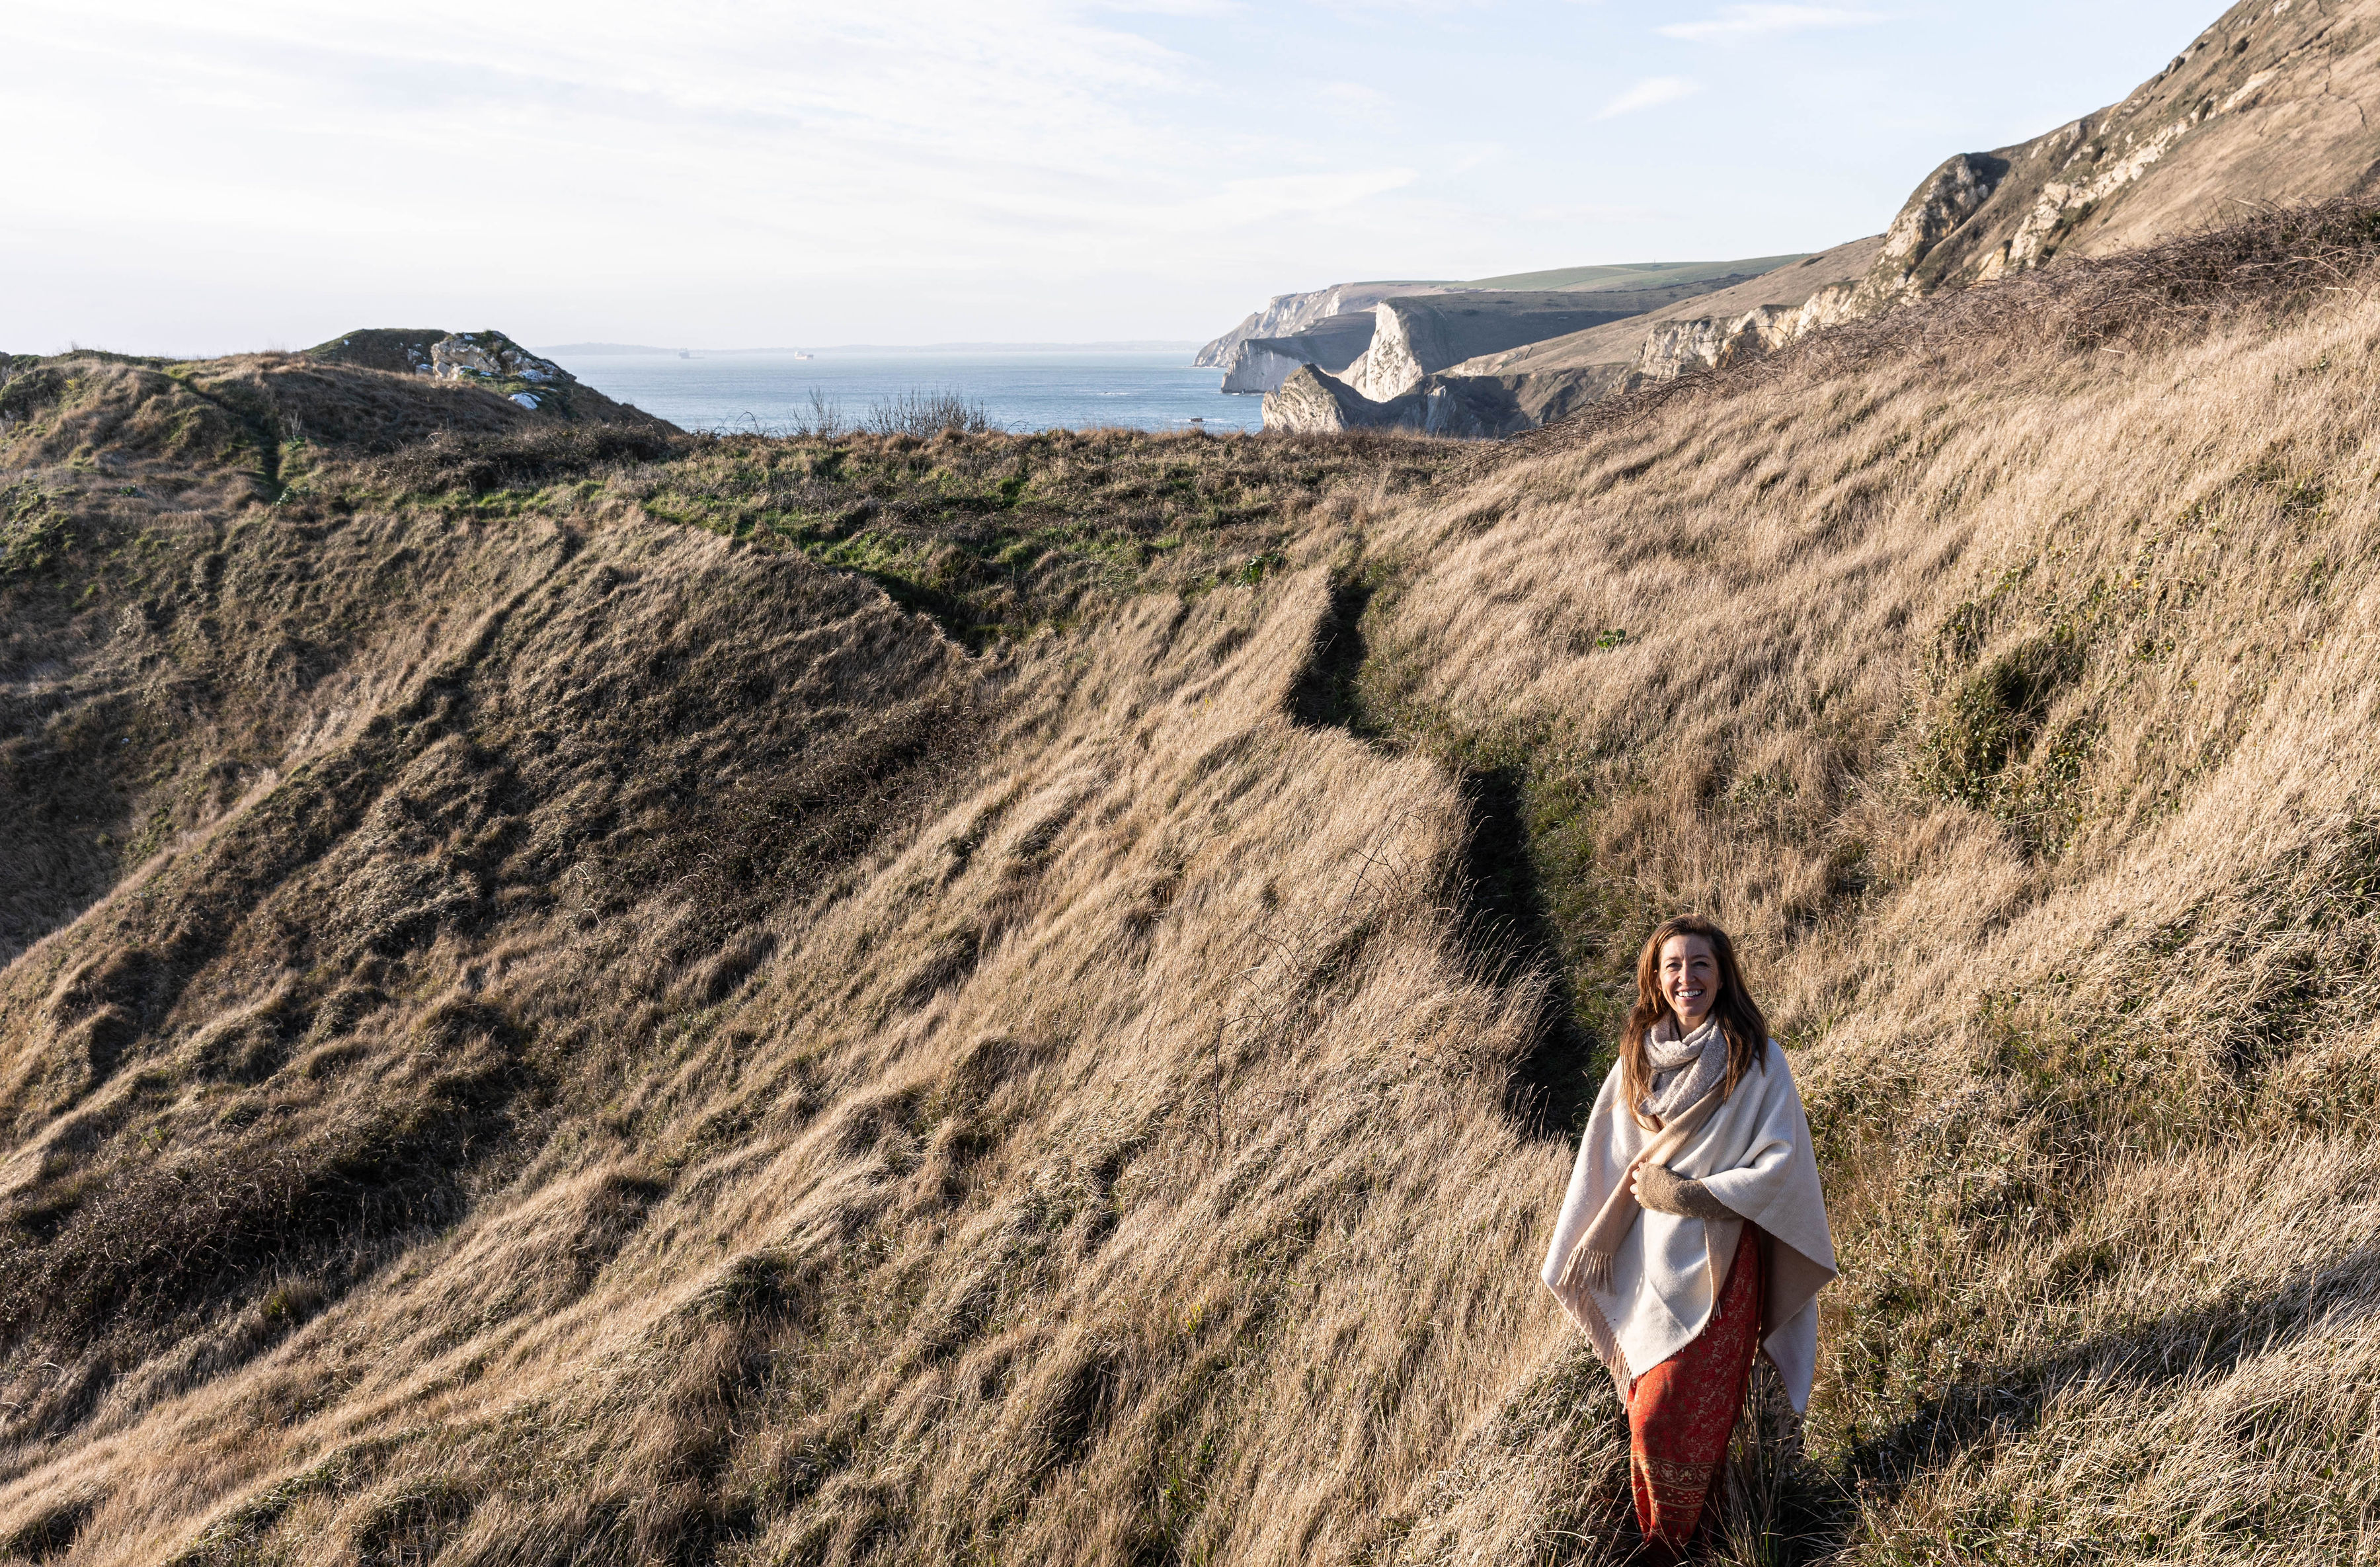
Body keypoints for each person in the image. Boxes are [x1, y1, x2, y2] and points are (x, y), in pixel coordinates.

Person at [1540, 916, 1837, 1558]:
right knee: (1650, 1408)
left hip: (1724, 1261)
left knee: (1686, 1407)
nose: (1686, 978)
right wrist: (1624, 1215)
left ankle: (1677, 1543)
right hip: (1649, 1261)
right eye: (1673, 966)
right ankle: (1690, 1536)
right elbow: (1606, 1161)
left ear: (1723, 973)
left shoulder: (1755, 1058)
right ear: (1655, 978)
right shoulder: (1636, 1063)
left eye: (1699, 964)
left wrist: (1697, 1194)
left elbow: (1781, 1164)